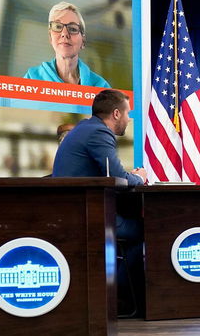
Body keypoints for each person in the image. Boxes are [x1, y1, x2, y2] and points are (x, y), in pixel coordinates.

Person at [53, 89, 148, 315]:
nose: (128, 119)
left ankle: (125, 299)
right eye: (127, 113)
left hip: (76, 210)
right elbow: (119, 178)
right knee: (144, 230)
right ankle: (126, 302)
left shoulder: (86, 128)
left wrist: (129, 177)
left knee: (135, 224)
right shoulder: (98, 132)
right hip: (86, 215)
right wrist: (140, 178)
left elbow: (110, 174)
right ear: (116, 113)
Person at [24, 2, 110, 87]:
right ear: (50, 38)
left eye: (72, 29)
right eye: (58, 27)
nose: (64, 34)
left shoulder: (101, 86)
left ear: (83, 41)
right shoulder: (31, 79)